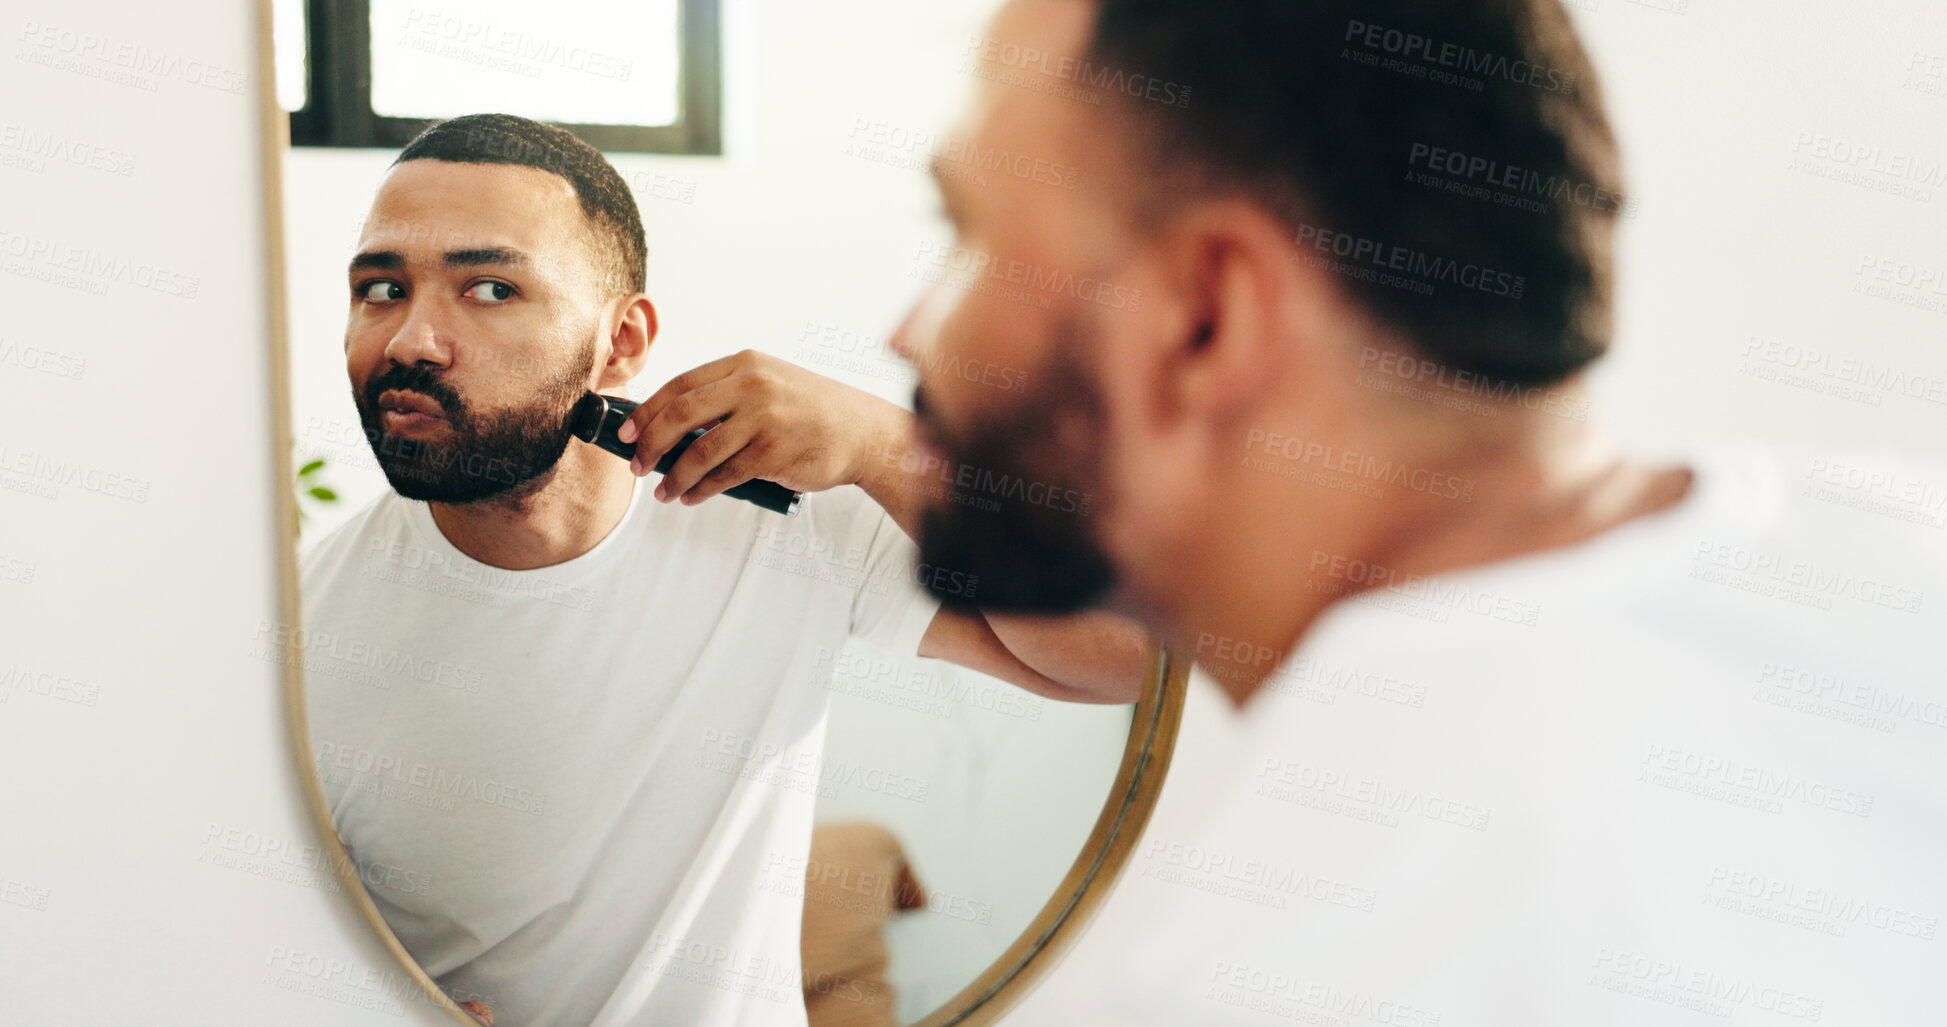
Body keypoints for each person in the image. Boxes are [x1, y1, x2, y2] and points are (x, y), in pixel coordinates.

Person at [890, 0, 1947, 1023]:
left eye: (967, 234)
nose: (909, 331)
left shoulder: (1238, 981)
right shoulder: (1907, 557)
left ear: (1206, 315)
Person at [299, 113, 1145, 1027]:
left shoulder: (784, 522)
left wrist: (877, 444)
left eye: (491, 288)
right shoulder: (300, 633)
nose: (412, 341)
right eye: (381, 288)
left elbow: (1124, 657)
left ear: (621, 343)